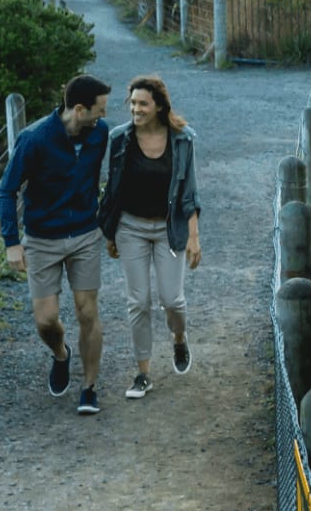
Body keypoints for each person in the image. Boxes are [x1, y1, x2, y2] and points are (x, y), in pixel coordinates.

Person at [0, 73, 113, 416]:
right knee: (46, 321)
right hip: (42, 238)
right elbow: (6, 190)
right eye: (99, 110)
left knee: (87, 311)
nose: (103, 117)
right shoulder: (34, 139)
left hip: (84, 234)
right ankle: (61, 355)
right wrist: (11, 242)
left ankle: (89, 388)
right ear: (79, 109)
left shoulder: (100, 134)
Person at [99, 73, 202, 400]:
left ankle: (179, 337)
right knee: (138, 301)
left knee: (172, 300)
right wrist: (111, 232)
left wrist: (193, 236)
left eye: (142, 103)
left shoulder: (182, 140)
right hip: (131, 228)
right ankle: (143, 373)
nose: (136, 109)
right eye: (132, 103)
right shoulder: (120, 139)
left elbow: (190, 193)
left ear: (159, 106)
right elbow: (112, 189)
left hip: (169, 229)